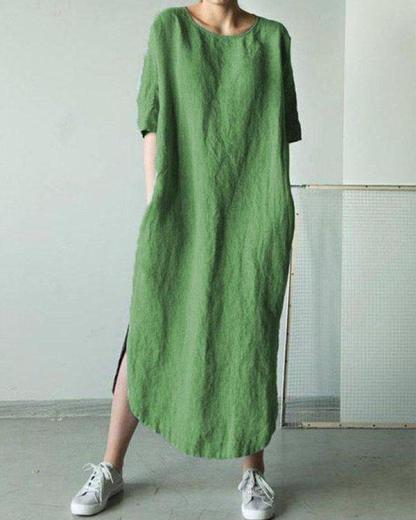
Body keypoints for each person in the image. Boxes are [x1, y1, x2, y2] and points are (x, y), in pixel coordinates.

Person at [70, 1, 302, 519]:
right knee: (151, 326)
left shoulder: (273, 39)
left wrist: (270, 213)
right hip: (182, 206)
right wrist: (158, 203)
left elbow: (278, 135)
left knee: (248, 331)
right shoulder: (170, 29)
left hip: (252, 210)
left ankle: (253, 473)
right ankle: (110, 467)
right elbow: (152, 121)